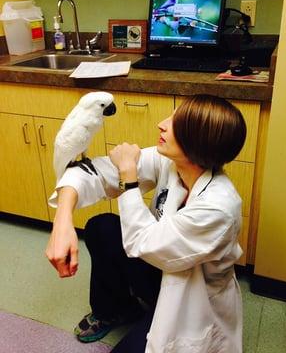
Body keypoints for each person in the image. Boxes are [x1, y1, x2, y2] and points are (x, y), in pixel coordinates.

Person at [46, 94, 247, 353]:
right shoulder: (171, 163)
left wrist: (129, 176)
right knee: (102, 228)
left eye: (176, 123)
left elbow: (142, 242)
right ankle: (117, 310)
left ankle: (151, 312)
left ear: (198, 141)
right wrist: (62, 222)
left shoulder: (218, 207)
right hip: (157, 266)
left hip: (188, 293)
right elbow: (89, 174)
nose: (162, 124)